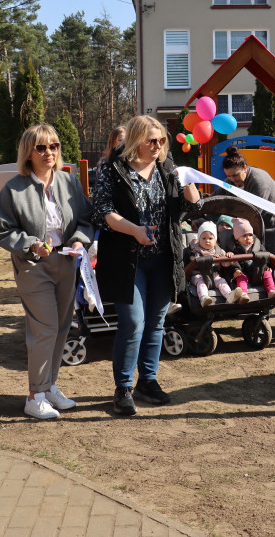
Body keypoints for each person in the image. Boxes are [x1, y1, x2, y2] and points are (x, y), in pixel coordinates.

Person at [94, 115, 202, 416]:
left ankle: (148, 381)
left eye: (161, 141)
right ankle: (124, 387)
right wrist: (134, 230)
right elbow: (102, 211)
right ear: (135, 141)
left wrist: (191, 189)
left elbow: (190, 207)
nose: (157, 146)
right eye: (151, 140)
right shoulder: (113, 169)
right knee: (133, 323)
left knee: (156, 323)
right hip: (127, 260)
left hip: (163, 258)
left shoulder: (168, 169)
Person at [0, 124, 94, 420]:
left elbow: (86, 220)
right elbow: (1, 231)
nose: (49, 152)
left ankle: (49, 387)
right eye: (41, 147)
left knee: (62, 327)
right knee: (44, 329)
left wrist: (78, 240)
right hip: (33, 266)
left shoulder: (69, 182)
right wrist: (31, 244)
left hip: (66, 261)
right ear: (28, 152)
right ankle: (34, 395)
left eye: (54, 146)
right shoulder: (13, 188)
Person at [221, 146, 275, 255]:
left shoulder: (258, 180)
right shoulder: (231, 181)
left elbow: (253, 212)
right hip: (263, 218)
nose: (232, 179)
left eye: (235, 175)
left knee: (272, 254)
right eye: (228, 176)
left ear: (245, 168)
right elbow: (217, 197)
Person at [186, 221, 244, 306]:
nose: (207, 241)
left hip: (214, 275)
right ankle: (204, 298)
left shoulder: (219, 250)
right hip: (198, 275)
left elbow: (225, 264)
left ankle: (229, 295)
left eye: (210, 238)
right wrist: (210, 257)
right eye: (203, 238)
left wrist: (228, 257)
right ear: (199, 239)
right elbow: (194, 260)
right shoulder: (196, 250)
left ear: (215, 240)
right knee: (201, 283)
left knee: (222, 281)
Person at [227, 217, 275, 300]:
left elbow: (265, 257)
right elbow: (233, 261)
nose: (248, 238)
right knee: (241, 278)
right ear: (237, 238)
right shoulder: (233, 247)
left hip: (257, 271)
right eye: (244, 236)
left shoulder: (258, 245)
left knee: (267, 274)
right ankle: (243, 294)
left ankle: (271, 291)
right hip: (243, 271)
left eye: (250, 235)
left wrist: (267, 266)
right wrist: (235, 269)